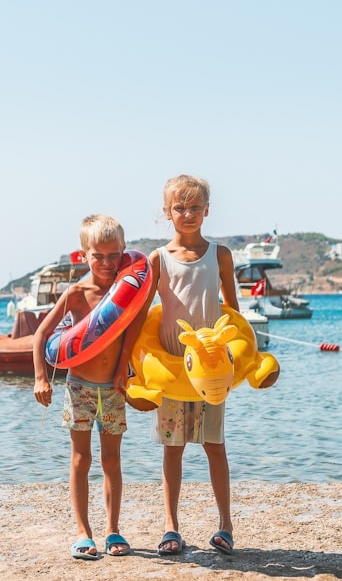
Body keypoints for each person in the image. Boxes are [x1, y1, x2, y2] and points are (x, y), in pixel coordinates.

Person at [32, 214, 148, 561]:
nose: (107, 263)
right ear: (84, 255)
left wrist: (124, 371)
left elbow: (129, 333)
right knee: (81, 459)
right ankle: (84, 532)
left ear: (124, 253)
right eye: (98, 255)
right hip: (79, 386)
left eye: (114, 255)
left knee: (112, 460)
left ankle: (113, 530)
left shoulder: (125, 293)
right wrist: (40, 377)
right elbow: (41, 336)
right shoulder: (77, 294)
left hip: (113, 388)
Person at [147, 174, 239, 556]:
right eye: (179, 207)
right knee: (173, 448)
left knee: (215, 446)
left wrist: (245, 360)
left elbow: (233, 313)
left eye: (194, 207)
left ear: (207, 210)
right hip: (172, 371)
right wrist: (133, 367)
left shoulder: (220, 255)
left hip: (213, 369)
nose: (187, 213)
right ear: (166, 212)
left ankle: (225, 525)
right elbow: (139, 318)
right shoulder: (159, 259)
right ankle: (171, 527)